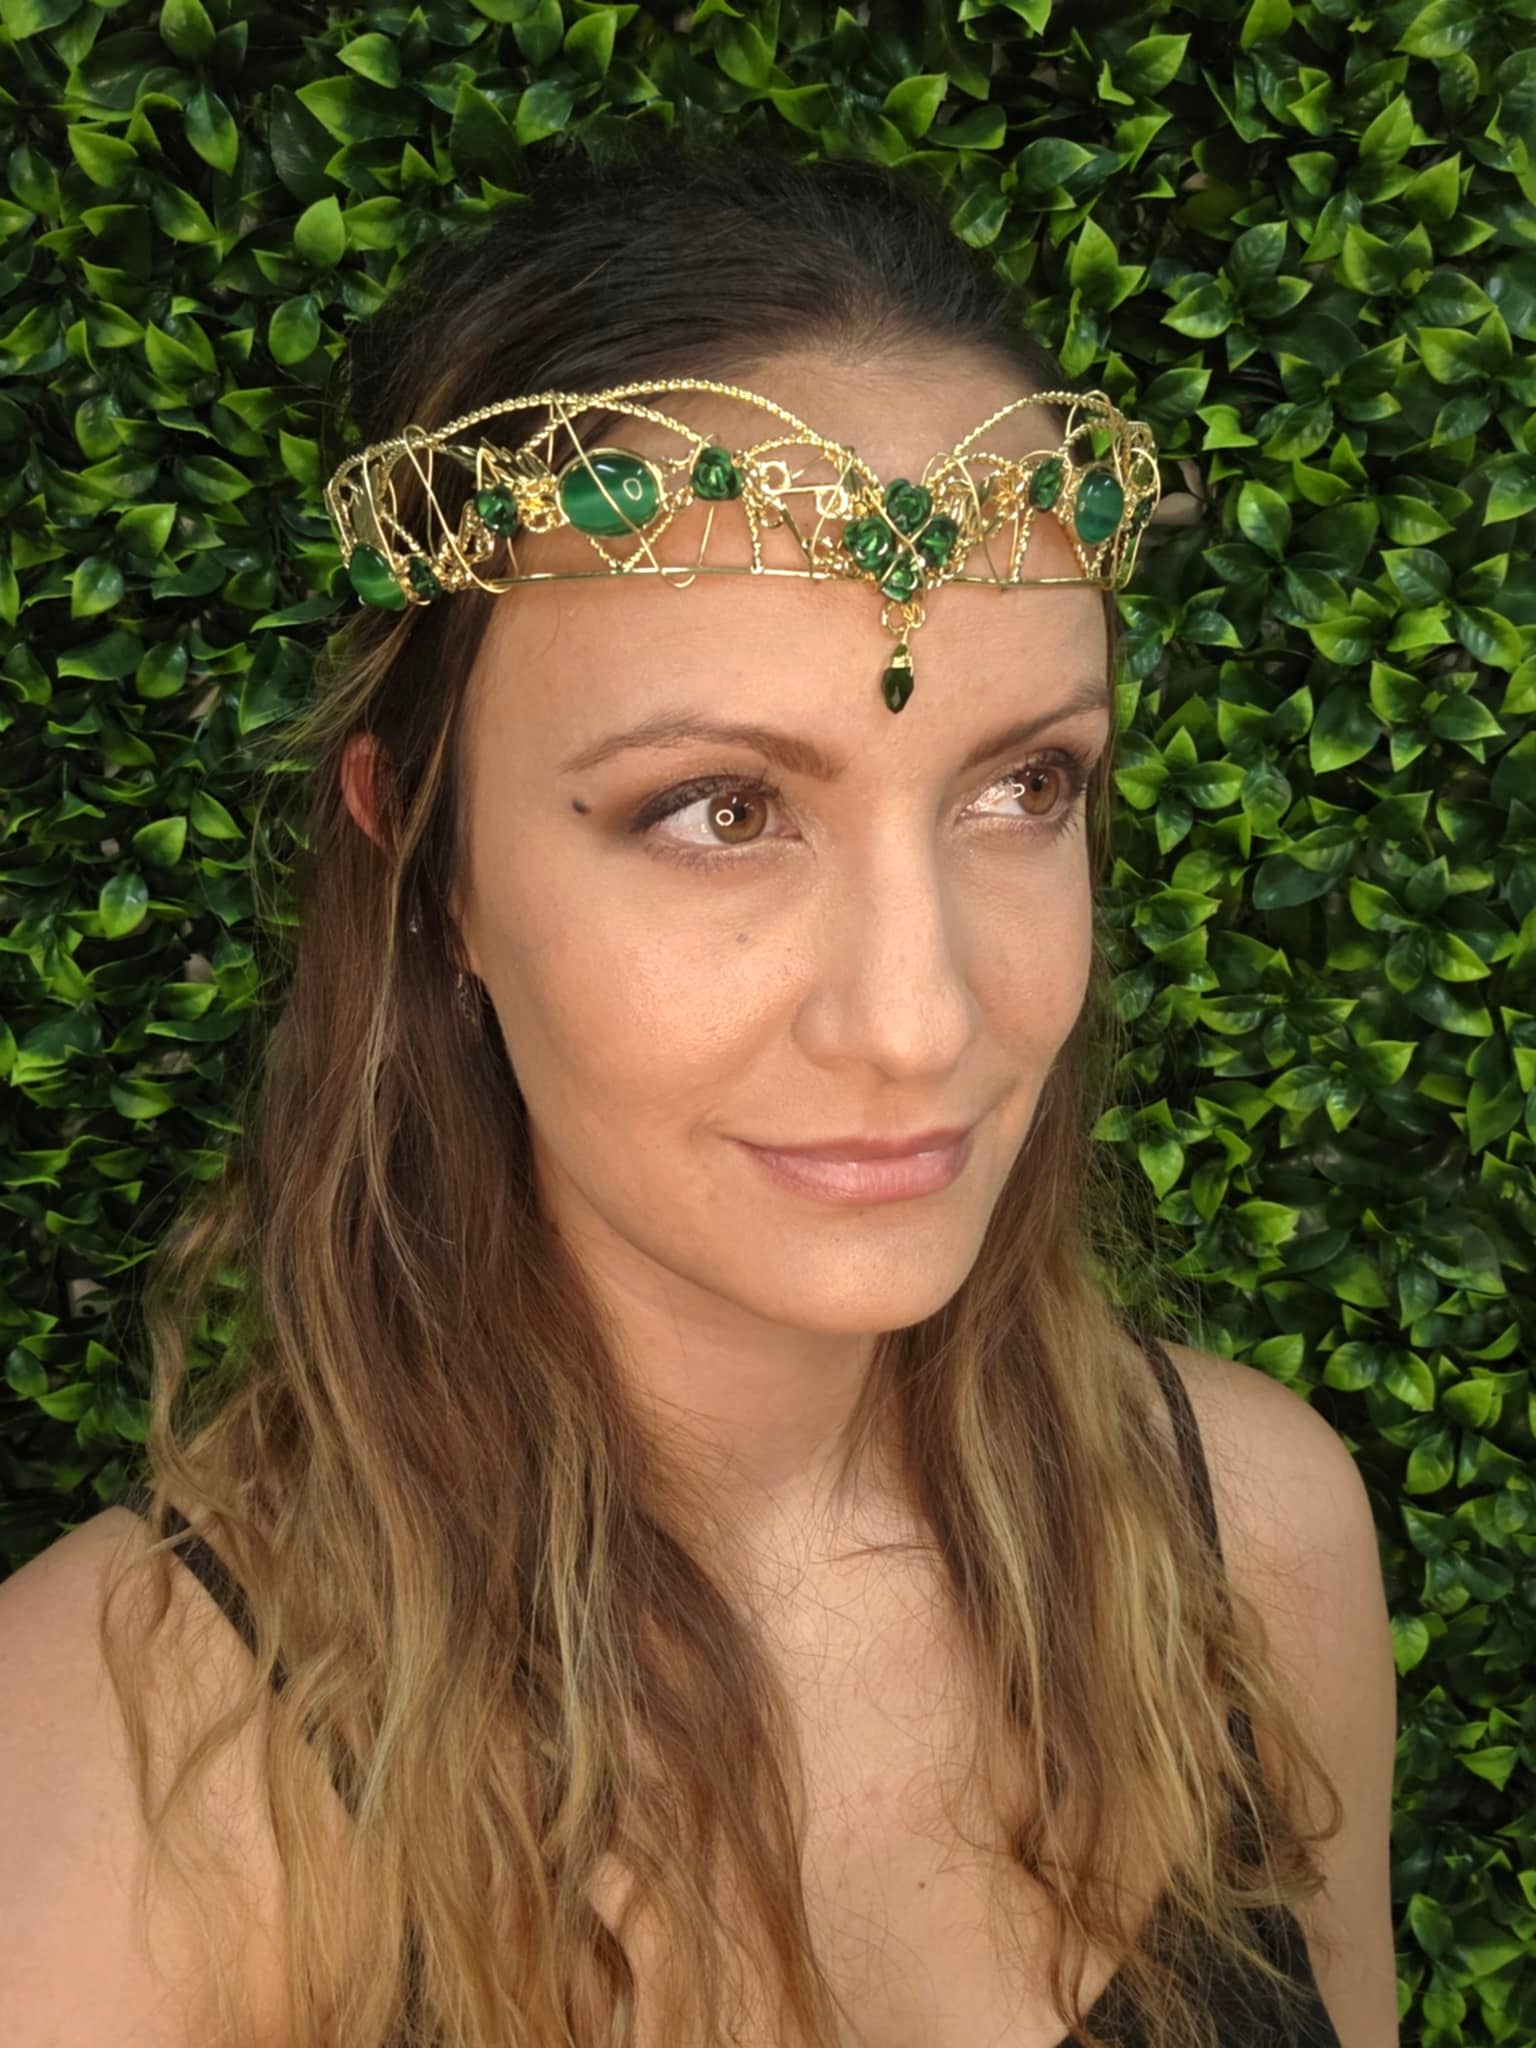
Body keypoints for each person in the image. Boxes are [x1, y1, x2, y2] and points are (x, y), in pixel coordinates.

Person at [0, 135, 1398, 2048]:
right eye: (719, 810)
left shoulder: (1247, 1541)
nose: (918, 1020)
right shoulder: (115, 1782)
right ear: (429, 862)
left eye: (1024, 786)